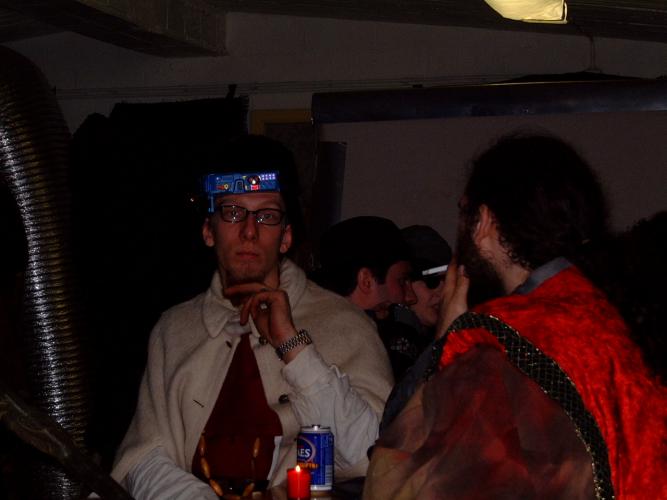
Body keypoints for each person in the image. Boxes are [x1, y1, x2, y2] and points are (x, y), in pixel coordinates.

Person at [365, 133, 667, 499]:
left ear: (484, 222)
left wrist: (446, 344)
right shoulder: (617, 315)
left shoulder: (499, 345)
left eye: (465, 213)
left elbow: (403, 478)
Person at [111, 135, 393, 499]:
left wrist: (295, 348)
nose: (249, 231)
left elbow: (375, 458)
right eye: (232, 212)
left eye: (267, 216)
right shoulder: (173, 330)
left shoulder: (346, 324)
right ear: (208, 231)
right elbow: (144, 458)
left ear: (286, 237)